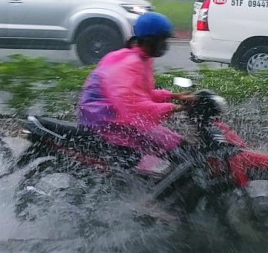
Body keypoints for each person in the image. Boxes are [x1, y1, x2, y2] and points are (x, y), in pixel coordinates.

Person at [77, 11, 195, 166]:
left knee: (177, 144)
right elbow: (135, 108)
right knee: (178, 149)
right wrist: (176, 107)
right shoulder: (130, 63)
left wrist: (175, 96)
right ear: (150, 40)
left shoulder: (140, 58)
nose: (165, 45)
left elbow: (141, 94)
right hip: (106, 126)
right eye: (162, 40)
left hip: (118, 121)